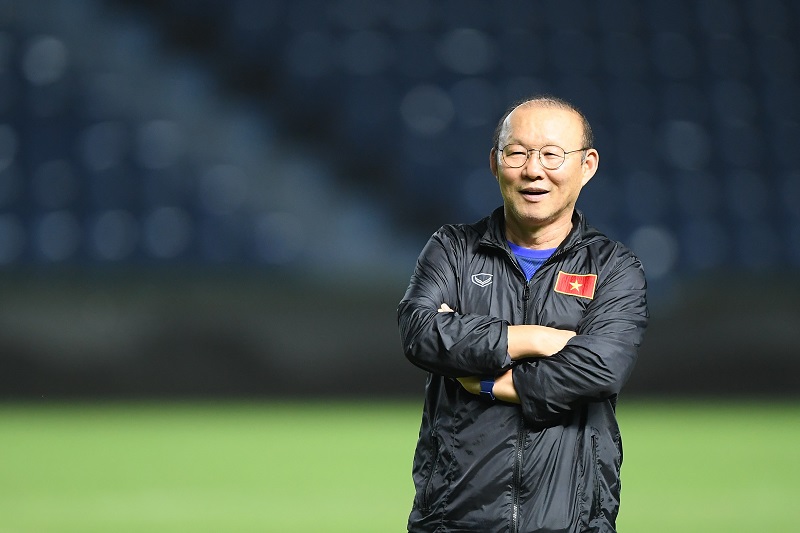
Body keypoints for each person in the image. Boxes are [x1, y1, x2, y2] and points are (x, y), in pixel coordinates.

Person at [397, 95, 649, 533]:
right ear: (495, 163)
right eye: (518, 153)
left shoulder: (613, 267)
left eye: (552, 154)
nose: (534, 170)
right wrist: (534, 337)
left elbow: (601, 367)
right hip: (454, 519)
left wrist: (494, 383)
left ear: (587, 165)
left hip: (574, 521)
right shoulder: (454, 249)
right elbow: (420, 332)